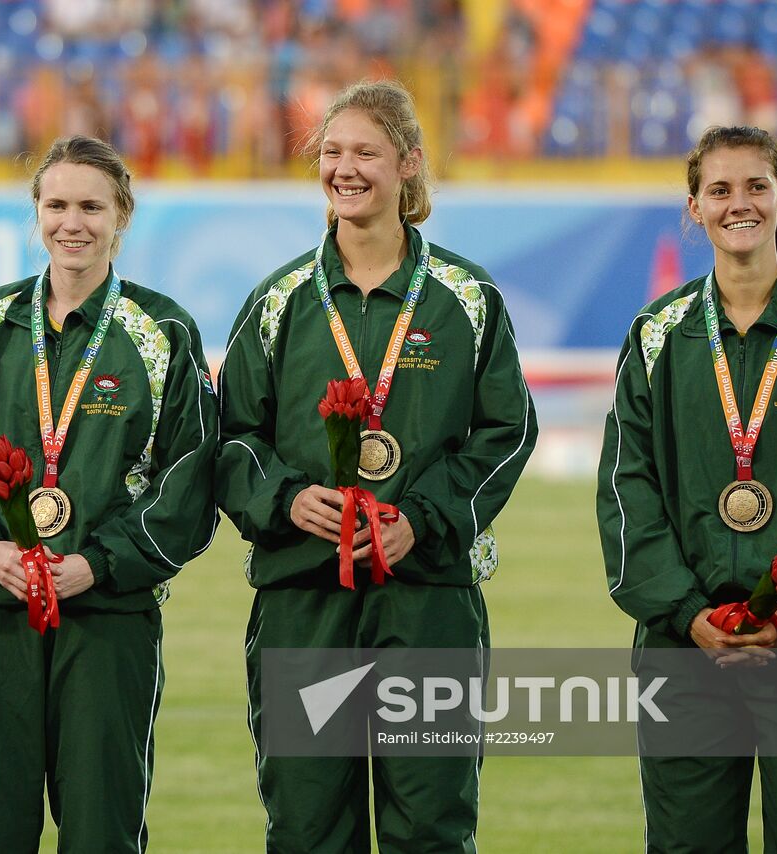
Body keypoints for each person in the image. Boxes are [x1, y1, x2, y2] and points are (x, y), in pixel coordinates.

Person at [216, 80, 537, 853]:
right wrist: (287, 500)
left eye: (366, 152)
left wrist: (421, 522)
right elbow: (228, 439)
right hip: (304, 597)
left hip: (426, 599)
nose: (345, 168)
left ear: (410, 165)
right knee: (307, 827)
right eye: (332, 152)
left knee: (429, 826)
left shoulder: (466, 297)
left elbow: (507, 431)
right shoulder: (279, 300)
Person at [0, 134, 218, 853]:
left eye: (91, 205)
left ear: (123, 216)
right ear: (36, 213)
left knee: (102, 832)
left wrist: (99, 563)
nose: (71, 222)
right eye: (56, 204)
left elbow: (191, 479)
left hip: (107, 620)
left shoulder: (162, 332)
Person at [597, 125, 777, 852]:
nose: (739, 204)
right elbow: (626, 483)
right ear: (693, 208)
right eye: (719, 190)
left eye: (756, 186)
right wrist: (688, 610)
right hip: (685, 649)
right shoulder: (656, 334)